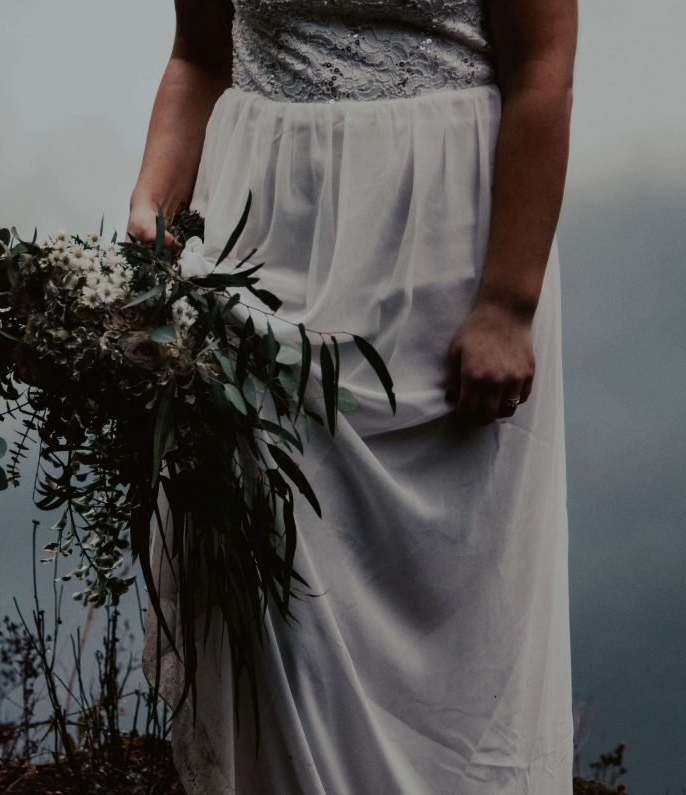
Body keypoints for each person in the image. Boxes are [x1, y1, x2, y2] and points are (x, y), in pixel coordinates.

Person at [127, 1, 578, 793]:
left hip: (439, 236)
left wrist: (508, 303)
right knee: (265, 549)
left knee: (440, 581)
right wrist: (150, 216)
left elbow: (542, 66)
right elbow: (200, 56)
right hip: (261, 233)